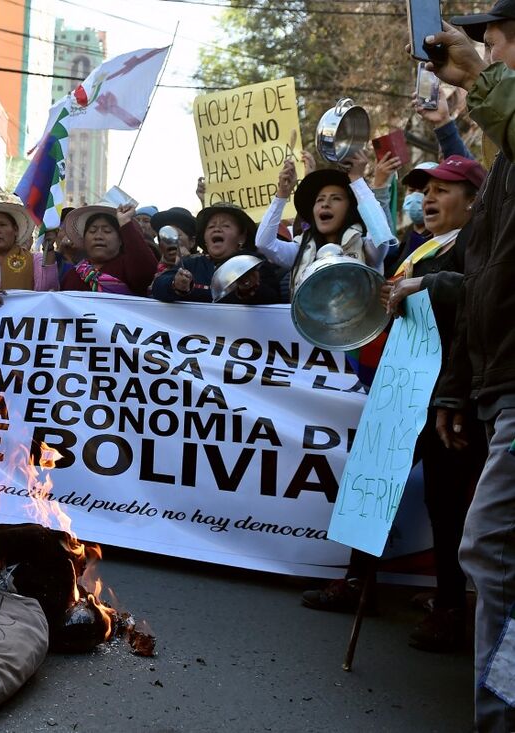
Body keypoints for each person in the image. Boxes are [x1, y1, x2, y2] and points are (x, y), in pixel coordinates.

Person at [301, 155, 489, 654]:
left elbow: (477, 296)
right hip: (403, 387)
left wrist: (424, 285)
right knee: (372, 480)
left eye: (443, 190)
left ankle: (451, 608)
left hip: (452, 394)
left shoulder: (479, 243)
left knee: (446, 505)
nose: (428, 198)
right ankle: (358, 581)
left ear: (474, 201)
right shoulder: (424, 246)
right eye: (425, 190)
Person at [420, 7, 515, 729]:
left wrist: (481, 81)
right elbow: (481, 275)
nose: (486, 53)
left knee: (488, 547)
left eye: (494, 42)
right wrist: (457, 386)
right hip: (495, 385)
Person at [258, 152, 396, 297]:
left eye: (336, 198)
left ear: (351, 210)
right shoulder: (300, 251)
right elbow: (264, 243)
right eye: (319, 200)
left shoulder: (368, 249)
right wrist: (282, 194)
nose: (325, 204)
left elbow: (381, 234)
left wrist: (356, 180)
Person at [152, 202, 280, 304]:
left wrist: (250, 289)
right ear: (205, 240)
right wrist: (176, 285)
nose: (217, 229)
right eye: (211, 227)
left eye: (226, 226)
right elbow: (158, 287)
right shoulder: (190, 264)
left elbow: (273, 299)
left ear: (242, 237)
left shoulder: (254, 264)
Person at [59, 203, 157, 294]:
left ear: (120, 239)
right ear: (84, 239)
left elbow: (147, 274)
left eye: (107, 231)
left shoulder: (129, 267)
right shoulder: (72, 276)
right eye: (92, 231)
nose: (98, 236)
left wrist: (125, 223)